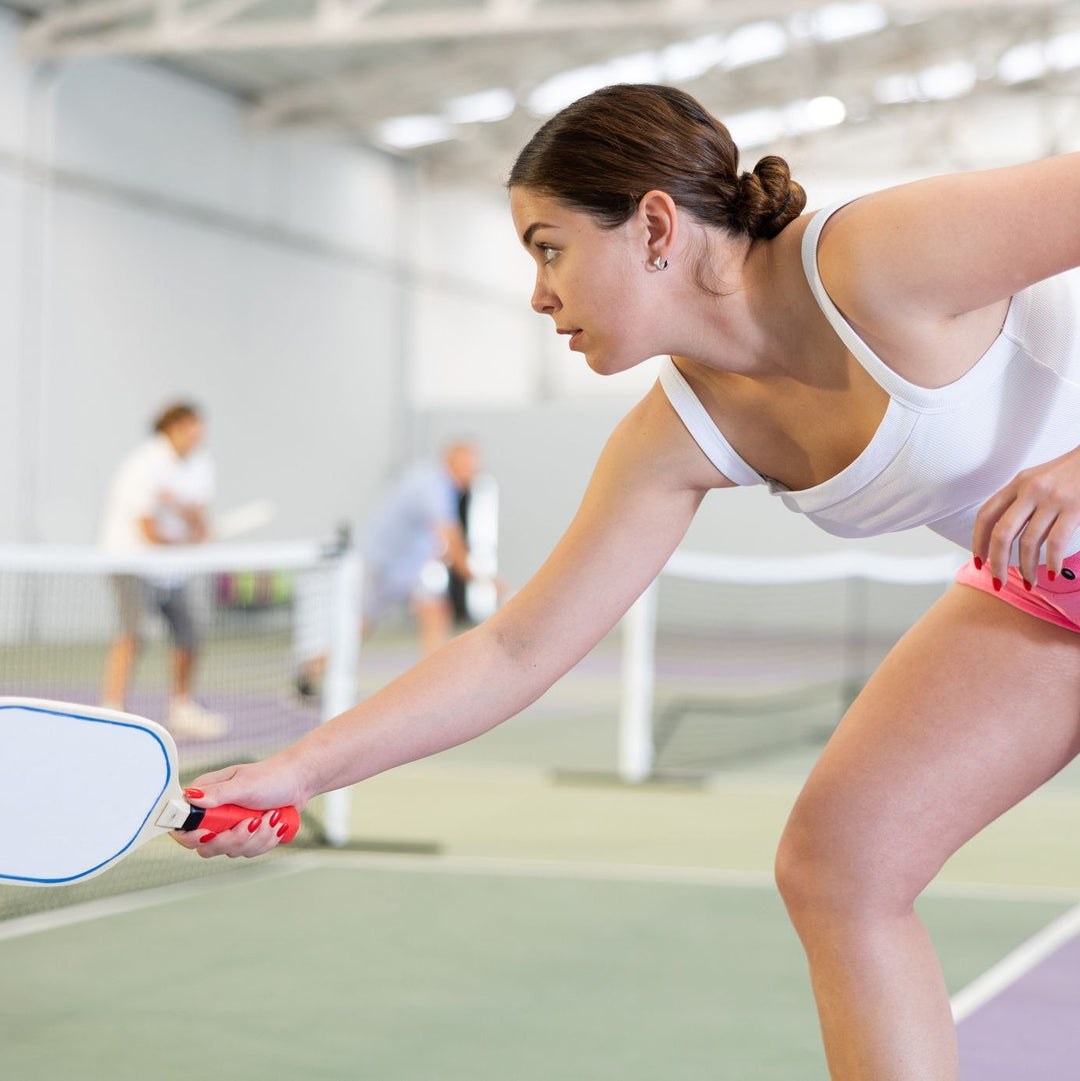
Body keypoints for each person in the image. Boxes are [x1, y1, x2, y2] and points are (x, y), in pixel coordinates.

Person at [174, 84, 1080, 1080]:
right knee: (840, 866)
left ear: (654, 225)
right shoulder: (680, 431)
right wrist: (299, 771)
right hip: (1046, 589)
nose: (536, 293)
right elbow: (516, 648)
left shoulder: (876, 256)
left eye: (548, 246)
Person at [295, 441, 484, 700]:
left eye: (475, 468)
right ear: (451, 461)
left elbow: (429, 535)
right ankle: (309, 672)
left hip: (408, 568)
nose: (472, 474)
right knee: (358, 626)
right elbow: (451, 538)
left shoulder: (442, 487)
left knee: (435, 611)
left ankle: (432, 685)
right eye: (468, 467)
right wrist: (484, 580)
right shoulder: (433, 485)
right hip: (380, 564)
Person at [100, 401, 227, 739]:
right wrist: (186, 540)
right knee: (134, 633)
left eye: (199, 426)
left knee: (190, 632)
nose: (197, 433)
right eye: (189, 426)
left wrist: (197, 528)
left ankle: (181, 707)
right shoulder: (143, 464)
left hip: (175, 568)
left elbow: (199, 514)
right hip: (132, 561)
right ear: (170, 428)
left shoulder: (202, 463)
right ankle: (112, 707)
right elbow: (147, 530)